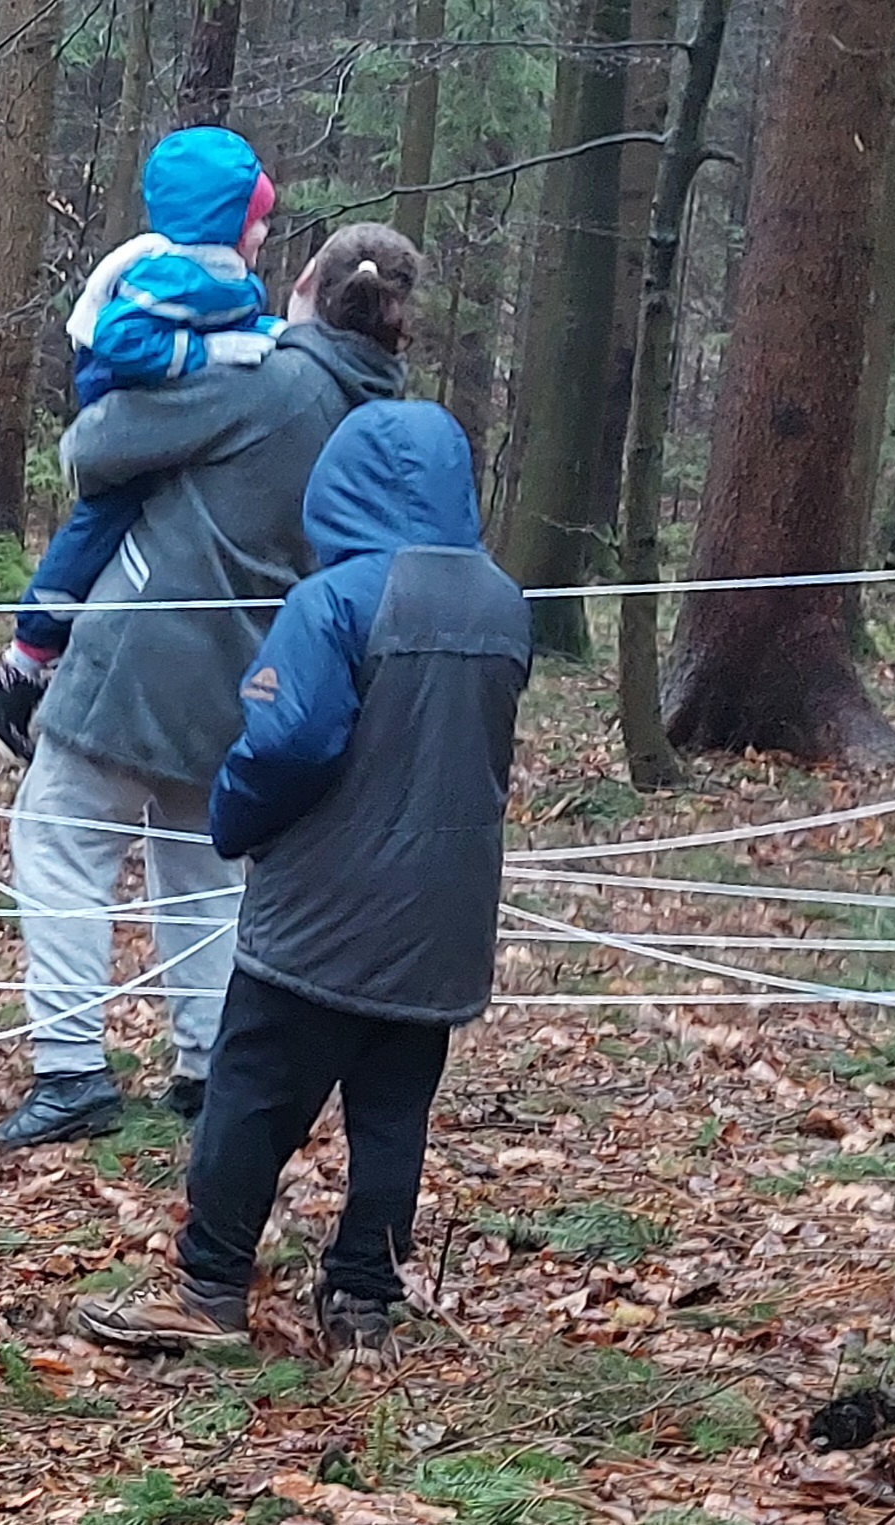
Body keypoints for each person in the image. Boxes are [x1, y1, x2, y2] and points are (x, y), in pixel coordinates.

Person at [75, 402, 527, 1356]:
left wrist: (234, 817)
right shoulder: (501, 603)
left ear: (342, 485)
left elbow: (288, 740)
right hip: (443, 921)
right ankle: (363, 1299)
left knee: (251, 1095)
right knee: (394, 1115)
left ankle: (208, 1290)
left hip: (323, 916)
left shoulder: (335, 601)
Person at [0, 223, 425, 1152]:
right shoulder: (383, 417)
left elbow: (99, 447)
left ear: (303, 281)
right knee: (199, 868)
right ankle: (208, 1066)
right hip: (259, 672)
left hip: (143, 649)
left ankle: (70, 1070)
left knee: (60, 842)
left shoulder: (272, 380)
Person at [0, 128, 278, 764]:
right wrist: (208, 354)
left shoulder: (213, 271)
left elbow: (236, 322)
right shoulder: (169, 271)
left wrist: (278, 340)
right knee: (105, 517)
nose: (264, 235)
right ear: (222, 221)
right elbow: (123, 342)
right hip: (117, 397)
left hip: (158, 402)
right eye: (256, 220)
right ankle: (23, 662)